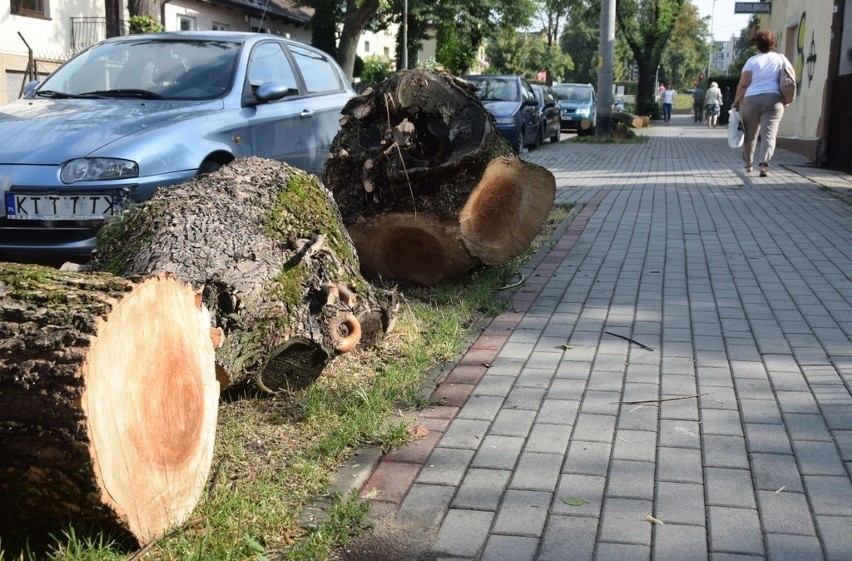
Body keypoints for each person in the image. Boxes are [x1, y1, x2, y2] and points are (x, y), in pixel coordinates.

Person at [732, 29, 793, 177]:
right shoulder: (782, 59)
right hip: (774, 99)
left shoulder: (751, 61)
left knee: (750, 135)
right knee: (769, 134)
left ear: (757, 45)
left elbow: (743, 84)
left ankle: (748, 164)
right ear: (773, 44)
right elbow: (791, 77)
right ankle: (764, 164)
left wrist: (736, 101)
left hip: (752, 100)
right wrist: (787, 98)